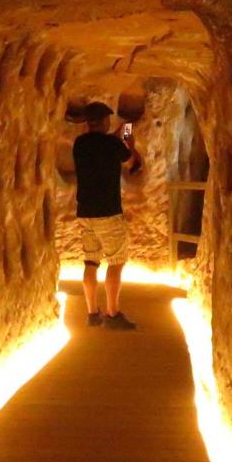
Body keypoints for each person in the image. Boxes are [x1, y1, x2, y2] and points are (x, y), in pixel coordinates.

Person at [73, 101, 141, 330]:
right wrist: (130, 141)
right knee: (116, 262)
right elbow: (130, 160)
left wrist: (115, 137)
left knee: (91, 262)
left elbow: (101, 146)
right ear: (104, 121)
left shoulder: (79, 144)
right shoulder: (113, 144)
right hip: (108, 212)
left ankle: (92, 313)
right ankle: (112, 314)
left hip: (85, 212)